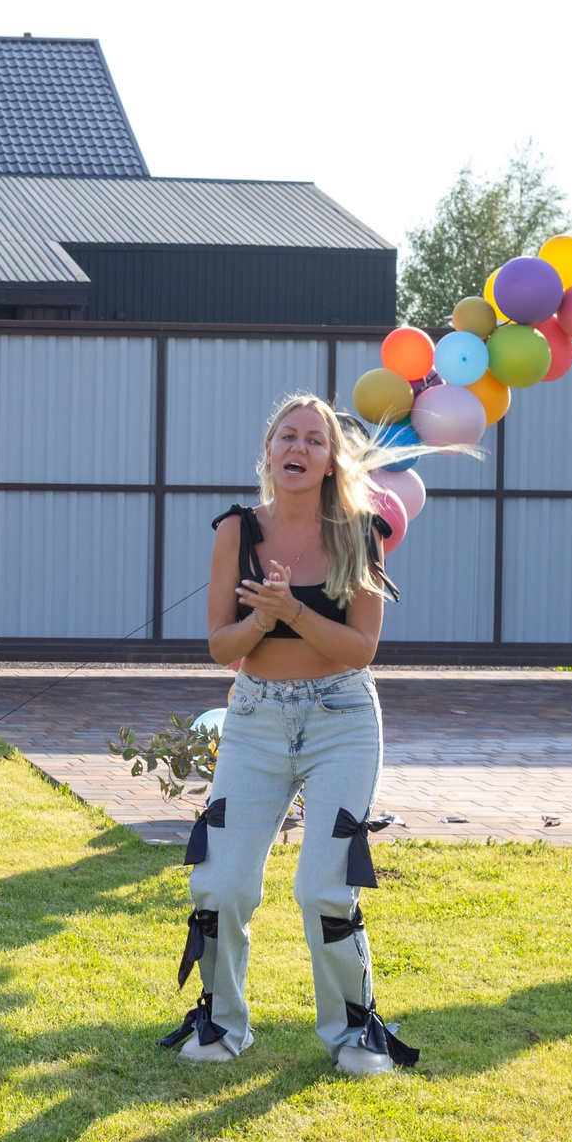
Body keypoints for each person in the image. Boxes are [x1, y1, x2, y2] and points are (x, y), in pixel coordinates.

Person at [162, 394, 417, 1075]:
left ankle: (354, 1031)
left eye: (314, 439)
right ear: (269, 451)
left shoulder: (360, 532)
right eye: (287, 436)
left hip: (342, 720)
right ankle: (221, 1023)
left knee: (324, 887)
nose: (298, 447)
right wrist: (262, 619)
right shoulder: (236, 530)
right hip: (256, 719)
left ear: (331, 460)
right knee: (221, 882)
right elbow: (221, 645)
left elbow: (361, 648)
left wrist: (293, 614)